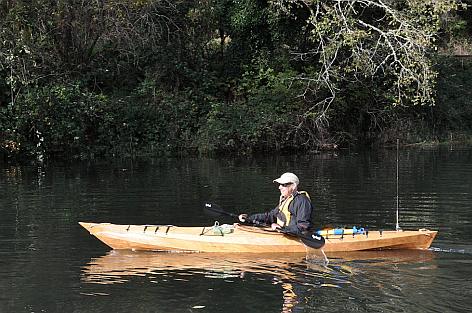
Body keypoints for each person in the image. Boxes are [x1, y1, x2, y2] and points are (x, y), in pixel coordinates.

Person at [238, 172, 313, 235]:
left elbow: (303, 227)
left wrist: (282, 229)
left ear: (293, 186)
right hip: (283, 233)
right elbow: (271, 216)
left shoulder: (302, 201)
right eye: (279, 185)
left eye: (283, 185)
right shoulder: (286, 199)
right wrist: (249, 218)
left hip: (293, 236)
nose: (279, 187)